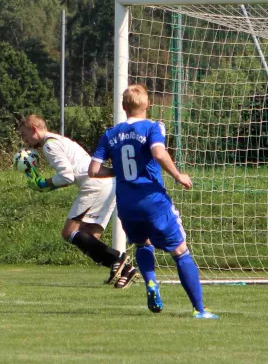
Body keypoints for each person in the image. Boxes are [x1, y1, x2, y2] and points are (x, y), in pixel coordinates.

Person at [88, 84, 219, 319]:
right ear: (148, 104)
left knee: (142, 244)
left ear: (123, 107)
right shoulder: (152, 128)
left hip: (127, 205)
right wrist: (178, 176)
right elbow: (158, 154)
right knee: (180, 252)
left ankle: (151, 283)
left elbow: (94, 170)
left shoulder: (110, 134)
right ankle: (200, 309)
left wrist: (117, 170)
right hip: (153, 200)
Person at [18, 115, 138, 288]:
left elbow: (67, 176)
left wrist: (45, 184)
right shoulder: (58, 140)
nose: (25, 140)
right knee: (89, 237)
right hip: (106, 185)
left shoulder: (50, 145)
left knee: (69, 233)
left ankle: (118, 260)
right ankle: (123, 269)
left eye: (24, 135)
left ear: (34, 129)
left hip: (94, 185)